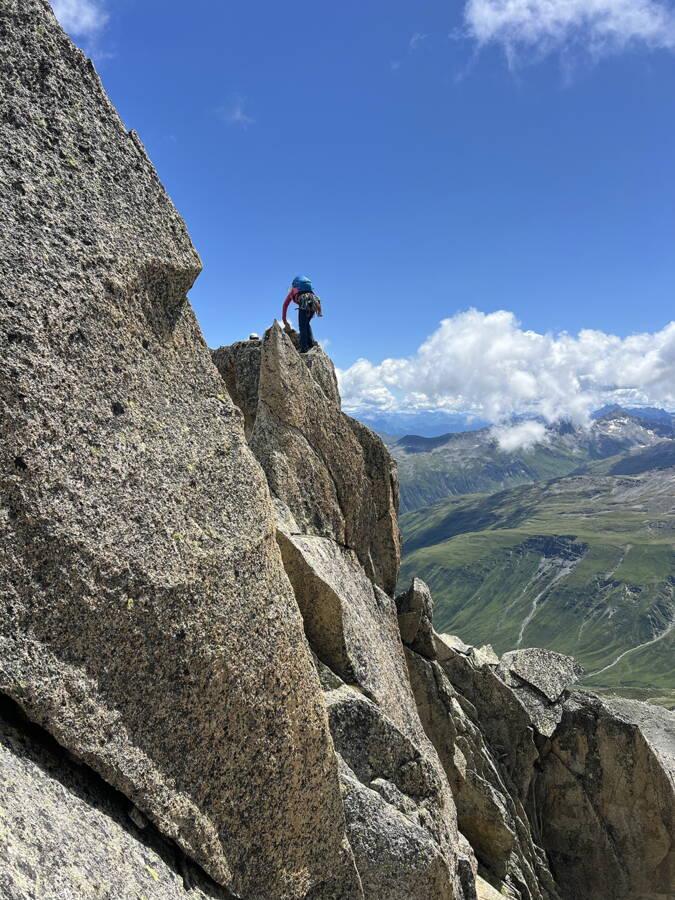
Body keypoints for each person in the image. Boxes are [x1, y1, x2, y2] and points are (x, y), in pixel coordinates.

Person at [281, 275, 322, 352]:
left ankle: (304, 348)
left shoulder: (293, 291)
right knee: (306, 324)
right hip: (313, 304)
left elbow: (285, 305)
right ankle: (310, 344)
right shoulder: (310, 291)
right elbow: (316, 298)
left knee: (302, 325)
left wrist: (284, 319)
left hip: (304, 304)